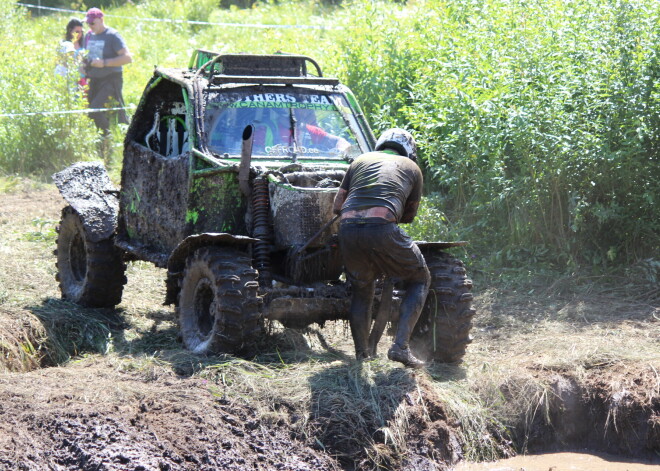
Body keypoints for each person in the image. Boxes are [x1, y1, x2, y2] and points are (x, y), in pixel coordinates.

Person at [333, 128, 430, 368]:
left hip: (348, 229)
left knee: (362, 289)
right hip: (382, 227)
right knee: (420, 278)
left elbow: (338, 205)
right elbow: (407, 216)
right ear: (409, 150)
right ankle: (400, 347)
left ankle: (361, 355)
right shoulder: (412, 168)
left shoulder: (359, 161)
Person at [83, 7, 132, 134]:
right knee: (91, 111)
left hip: (111, 79)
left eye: (92, 23)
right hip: (93, 79)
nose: (90, 25)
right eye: (88, 23)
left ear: (101, 20)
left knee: (97, 109)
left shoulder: (112, 36)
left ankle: (108, 136)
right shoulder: (88, 36)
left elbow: (127, 58)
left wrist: (104, 63)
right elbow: (85, 56)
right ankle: (104, 139)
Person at [55, 18, 87, 93]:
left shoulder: (84, 44)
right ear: (70, 31)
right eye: (76, 32)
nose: (79, 34)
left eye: (81, 32)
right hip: (68, 79)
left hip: (83, 81)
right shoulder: (65, 44)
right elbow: (65, 62)